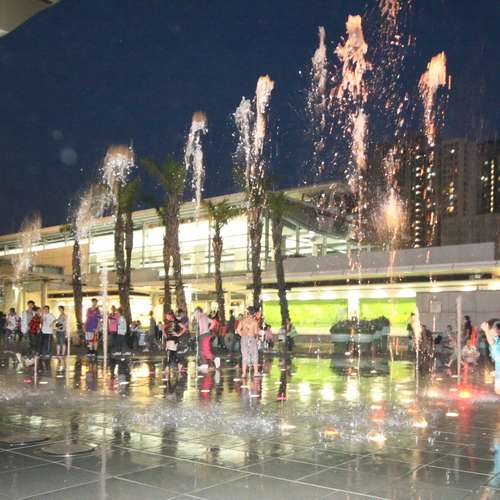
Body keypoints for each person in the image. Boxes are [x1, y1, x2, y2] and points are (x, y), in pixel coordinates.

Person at [236, 306, 260, 377]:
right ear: (254, 314)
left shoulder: (242, 321)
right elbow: (256, 333)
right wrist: (257, 339)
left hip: (244, 339)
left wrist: (242, 335)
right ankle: (255, 372)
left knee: (244, 356)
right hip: (252, 339)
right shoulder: (255, 322)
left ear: (248, 313)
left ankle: (243, 373)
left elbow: (238, 330)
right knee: (254, 355)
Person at [481, 319, 500, 395]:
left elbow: (491, 342)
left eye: (491, 329)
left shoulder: (496, 340)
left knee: (498, 389)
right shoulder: (496, 339)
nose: (490, 331)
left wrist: (486, 330)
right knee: (497, 390)